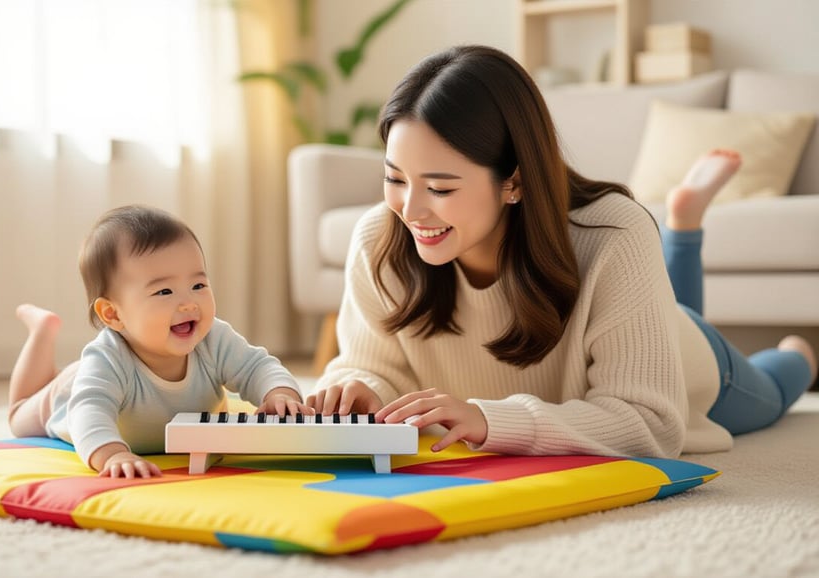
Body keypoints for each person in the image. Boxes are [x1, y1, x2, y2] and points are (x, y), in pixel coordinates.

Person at [307, 45, 817, 458]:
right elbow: (380, 368)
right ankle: (683, 224)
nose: (410, 209)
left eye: (440, 188)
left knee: (774, 389)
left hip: (693, 364)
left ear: (514, 182)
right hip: (640, 309)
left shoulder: (614, 232)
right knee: (670, 300)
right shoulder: (379, 239)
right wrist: (359, 386)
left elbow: (651, 421)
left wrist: (491, 420)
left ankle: (796, 352)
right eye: (394, 179)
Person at [8, 205, 309, 478]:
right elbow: (89, 411)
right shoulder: (106, 360)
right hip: (68, 392)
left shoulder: (213, 338)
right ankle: (42, 331)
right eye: (164, 292)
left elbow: (257, 366)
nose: (189, 303)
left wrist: (279, 394)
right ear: (113, 314)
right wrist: (113, 455)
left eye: (198, 285)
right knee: (19, 417)